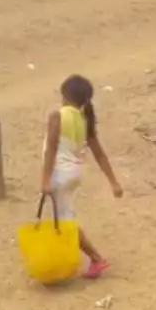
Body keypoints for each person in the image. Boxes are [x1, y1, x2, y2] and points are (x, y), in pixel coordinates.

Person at [41, 74, 123, 279]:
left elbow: (51, 149)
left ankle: (95, 258)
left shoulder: (57, 116)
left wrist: (45, 179)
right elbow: (99, 153)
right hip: (74, 174)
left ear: (64, 95)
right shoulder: (84, 119)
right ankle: (81, 258)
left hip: (60, 174)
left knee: (66, 221)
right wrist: (113, 182)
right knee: (64, 219)